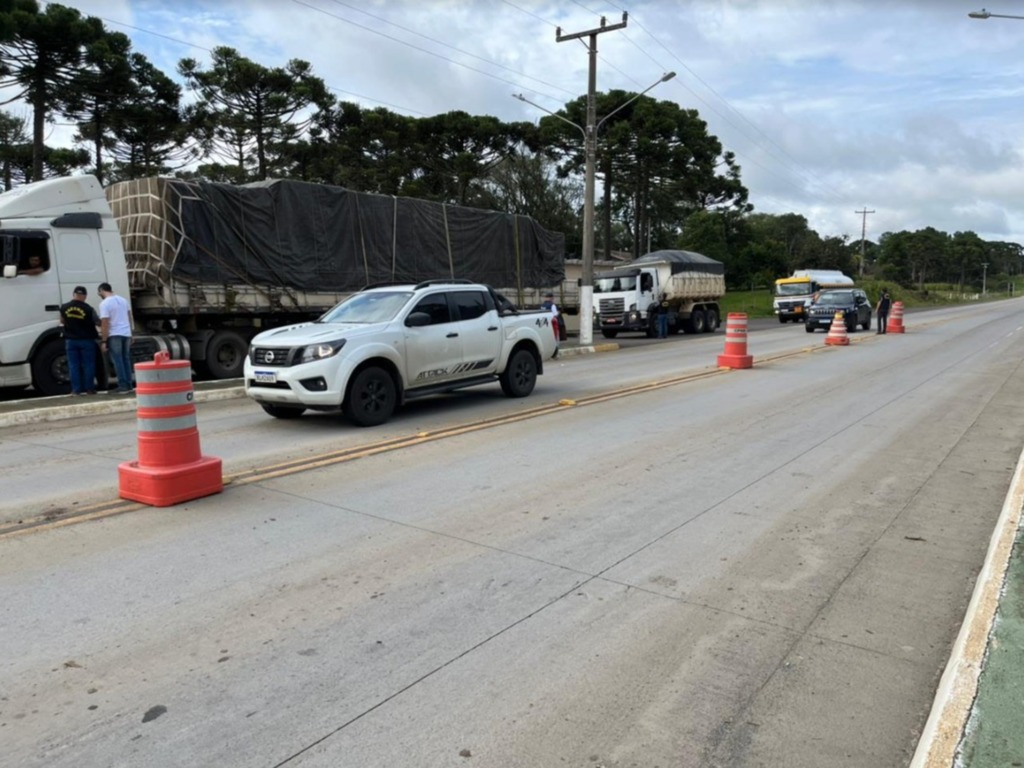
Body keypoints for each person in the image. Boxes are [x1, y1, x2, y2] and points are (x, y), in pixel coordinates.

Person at [59, 286, 100, 396]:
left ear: (73, 295)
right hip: (87, 340)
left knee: (73, 366)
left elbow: (62, 321)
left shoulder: (64, 307)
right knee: (88, 365)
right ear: (85, 296)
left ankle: (75, 390)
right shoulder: (89, 309)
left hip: (71, 340)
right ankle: (89, 389)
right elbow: (97, 322)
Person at [98, 281, 134, 393]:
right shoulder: (123, 300)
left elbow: (105, 322)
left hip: (115, 334)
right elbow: (129, 317)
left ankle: (122, 385)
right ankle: (129, 384)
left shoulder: (105, 303)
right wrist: (131, 333)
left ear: (102, 291)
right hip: (126, 333)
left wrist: (104, 340)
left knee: (117, 360)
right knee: (126, 359)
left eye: (99, 293)